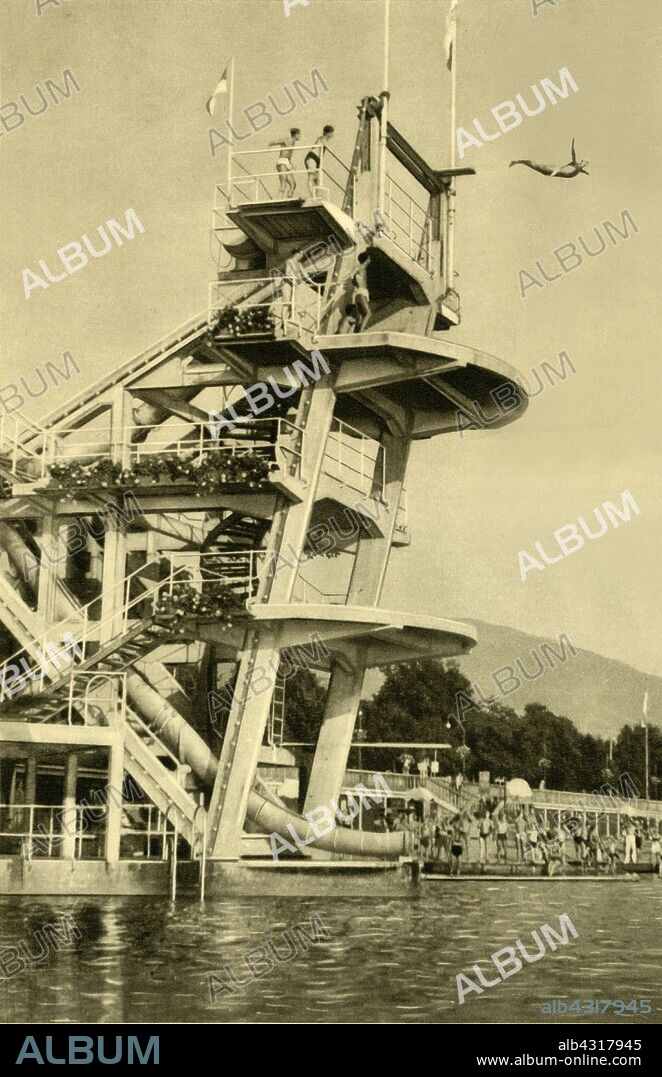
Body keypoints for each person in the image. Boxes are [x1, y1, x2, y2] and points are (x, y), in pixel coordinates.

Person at [510, 138, 589, 178]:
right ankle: (517, 161)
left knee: (542, 171)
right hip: (554, 169)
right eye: (586, 162)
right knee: (536, 166)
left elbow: (581, 170)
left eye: (587, 163)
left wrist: (586, 173)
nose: (586, 164)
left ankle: (518, 161)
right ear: (582, 161)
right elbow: (573, 153)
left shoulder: (579, 169)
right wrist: (572, 144)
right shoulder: (575, 164)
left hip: (551, 172)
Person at [268, 127, 301, 197]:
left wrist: (291, 164)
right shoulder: (287, 139)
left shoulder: (293, 142)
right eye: (299, 134)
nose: (300, 136)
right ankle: (279, 199)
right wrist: (271, 144)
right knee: (283, 183)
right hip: (282, 161)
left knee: (293, 184)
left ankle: (289, 200)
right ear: (296, 134)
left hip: (287, 162)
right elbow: (278, 141)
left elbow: (288, 154)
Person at [305, 125, 334, 197]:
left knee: (317, 179)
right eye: (332, 133)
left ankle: (317, 195)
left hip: (318, 159)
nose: (333, 135)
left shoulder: (325, 140)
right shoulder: (322, 138)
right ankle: (312, 195)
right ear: (328, 133)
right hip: (312, 157)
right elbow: (326, 146)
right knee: (311, 176)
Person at [351, 251, 371, 332]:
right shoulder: (360, 268)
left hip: (362, 293)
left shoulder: (363, 269)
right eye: (369, 258)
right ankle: (360, 332)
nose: (370, 260)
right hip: (361, 293)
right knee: (368, 314)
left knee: (360, 317)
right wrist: (356, 281)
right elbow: (351, 275)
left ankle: (357, 332)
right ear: (367, 259)